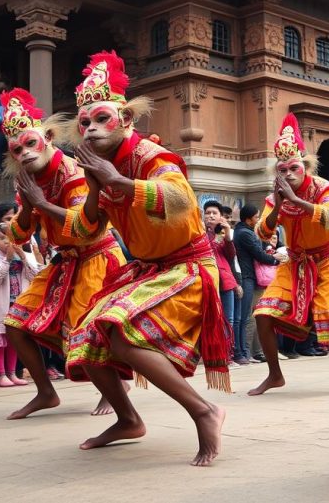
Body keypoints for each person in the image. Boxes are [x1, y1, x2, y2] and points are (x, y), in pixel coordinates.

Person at [64, 50, 231, 465]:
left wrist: (117, 180)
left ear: (125, 119)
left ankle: (205, 410)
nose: (90, 129)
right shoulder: (99, 164)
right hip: (146, 269)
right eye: (83, 123)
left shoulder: (150, 157)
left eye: (100, 119)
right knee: (84, 338)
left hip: (187, 265)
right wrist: (93, 184)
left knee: (117, 328)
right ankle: (128, 419)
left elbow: (179, 198)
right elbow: (87, 230)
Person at [0, 87, 127, 420]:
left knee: (86, 332)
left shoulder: (72, 172)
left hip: (97, 256)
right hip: (65, 261)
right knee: (15, 323)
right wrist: (28, 206)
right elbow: (17, 235)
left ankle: (115, 391)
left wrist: (40, 204)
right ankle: (45, 392)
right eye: (17, 149)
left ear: (49, 137)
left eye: (30, 143)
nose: (25, 153)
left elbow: (84, 226)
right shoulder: (27, 180)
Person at [248, 112, 329, 396]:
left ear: (305, 167)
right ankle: (275, 375)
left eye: (293, 169)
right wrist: (277, 206)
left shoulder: (324, 188)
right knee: (262, 314)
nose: (287, 175)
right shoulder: (275, 197)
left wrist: (297, 201)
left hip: (327, 261)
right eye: (282, 170)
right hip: (295, 263)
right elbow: (262, 233)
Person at [0, 223, 37, 387]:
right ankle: (0, 374)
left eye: (10, 238)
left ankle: (12, 373)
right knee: (0, 342)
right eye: (1, 238)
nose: (6, 242)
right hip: (0, 307)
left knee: (14, 341)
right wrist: (7, 260)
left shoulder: (25, 256)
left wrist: (25, 258)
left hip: (18, 305)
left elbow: (35, 276)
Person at [234, 204, 282, 364]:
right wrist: (276, 259)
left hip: (249, 277)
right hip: (247, 277)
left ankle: (250, 352)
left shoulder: (244, 232)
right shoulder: (245, 234)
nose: (258, 219)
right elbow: (259, 254)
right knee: (246, 317)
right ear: (248, 219)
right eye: (256, 217)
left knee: (249, 316)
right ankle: (244, 352)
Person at [203, 200, 240, 362]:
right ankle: (211, 353)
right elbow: (207, 250)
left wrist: (227, 234)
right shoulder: (198, 232)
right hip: (206, 280)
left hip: (225, 280)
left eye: (214, 213)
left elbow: (231, 255)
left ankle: (227, 353)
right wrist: (216, 234)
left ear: (220, 216)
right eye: (208, 213)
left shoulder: (224, 234)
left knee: (229, 319)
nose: (211, 216)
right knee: (210, 319)